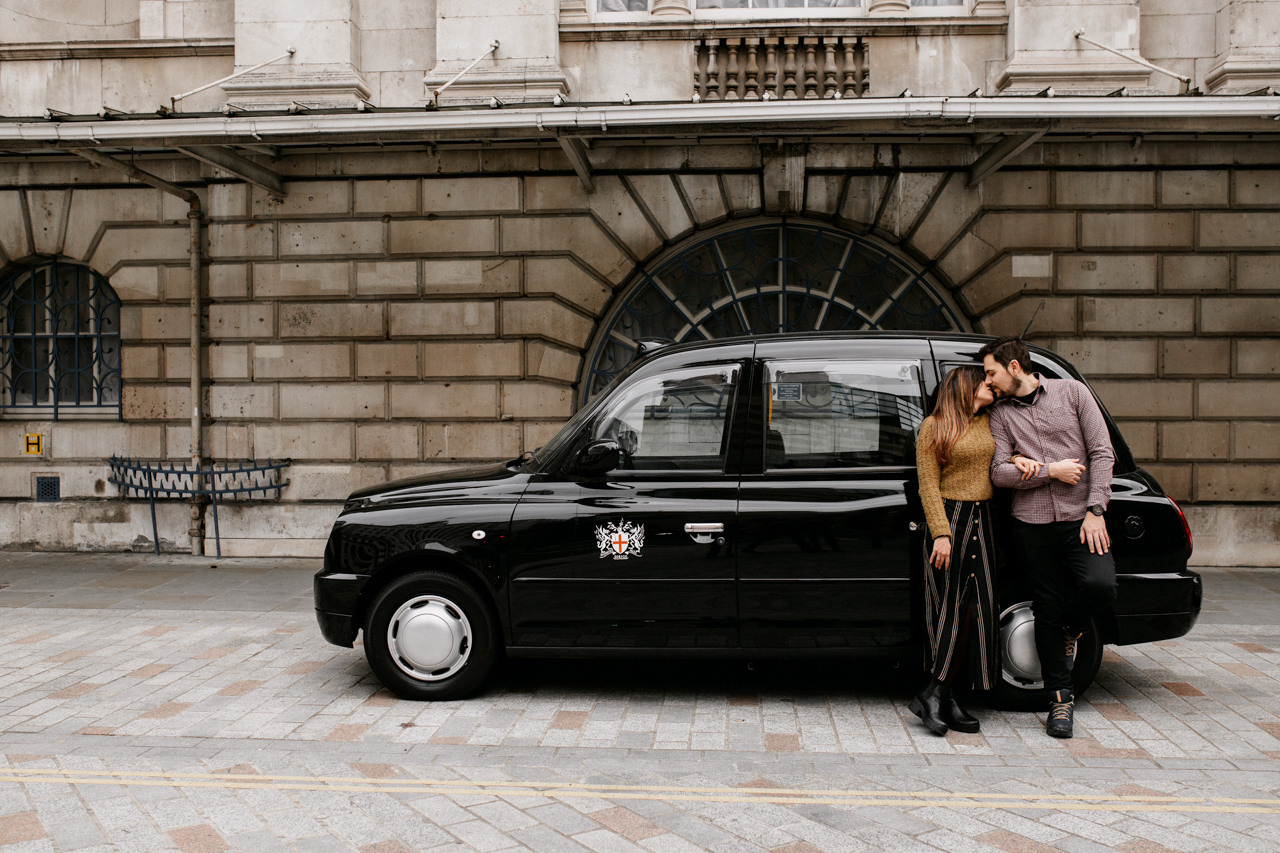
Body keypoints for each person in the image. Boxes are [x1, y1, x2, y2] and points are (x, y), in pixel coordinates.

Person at [979, 335, 1117, 740]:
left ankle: (1069, 630)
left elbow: (1102, 453)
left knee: (1100, 586)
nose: (989, 382)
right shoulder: (1001, 415)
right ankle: (1059, 701)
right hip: (1031, 526)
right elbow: (999, 474)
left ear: (1014, 367)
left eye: (991, 373)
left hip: (1080, 520)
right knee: (1046, 606)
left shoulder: (1072, 392)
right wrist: (1048, 471)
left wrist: (1096, 511)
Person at [910, 365, 1036, 736]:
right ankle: (936, 696)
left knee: (974, 611)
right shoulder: (933, 426)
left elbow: (997, 458)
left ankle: (940, 695)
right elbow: (927, 485)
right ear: (965, 387)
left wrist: (1016, 460)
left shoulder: (988, 420)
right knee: (947, 610)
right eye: (984, 381)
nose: (991, 385)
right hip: (950, 520)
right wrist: (941, 534)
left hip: (983, 519)